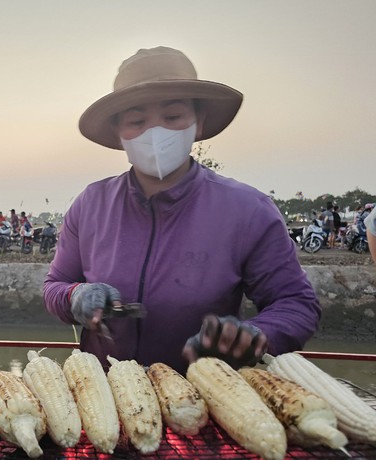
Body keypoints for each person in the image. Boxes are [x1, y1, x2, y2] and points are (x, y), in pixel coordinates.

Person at [43, 46, 321, 373]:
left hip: (206, 396)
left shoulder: (249, 211)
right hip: (106, 396)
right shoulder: (90, 206)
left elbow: (295, 303)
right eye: (137, 120)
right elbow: (55, 285)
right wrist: (75, 296)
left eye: (172, 117)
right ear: (120, 133)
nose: (155, 132)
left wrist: (258, 335)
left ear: (198, 123)